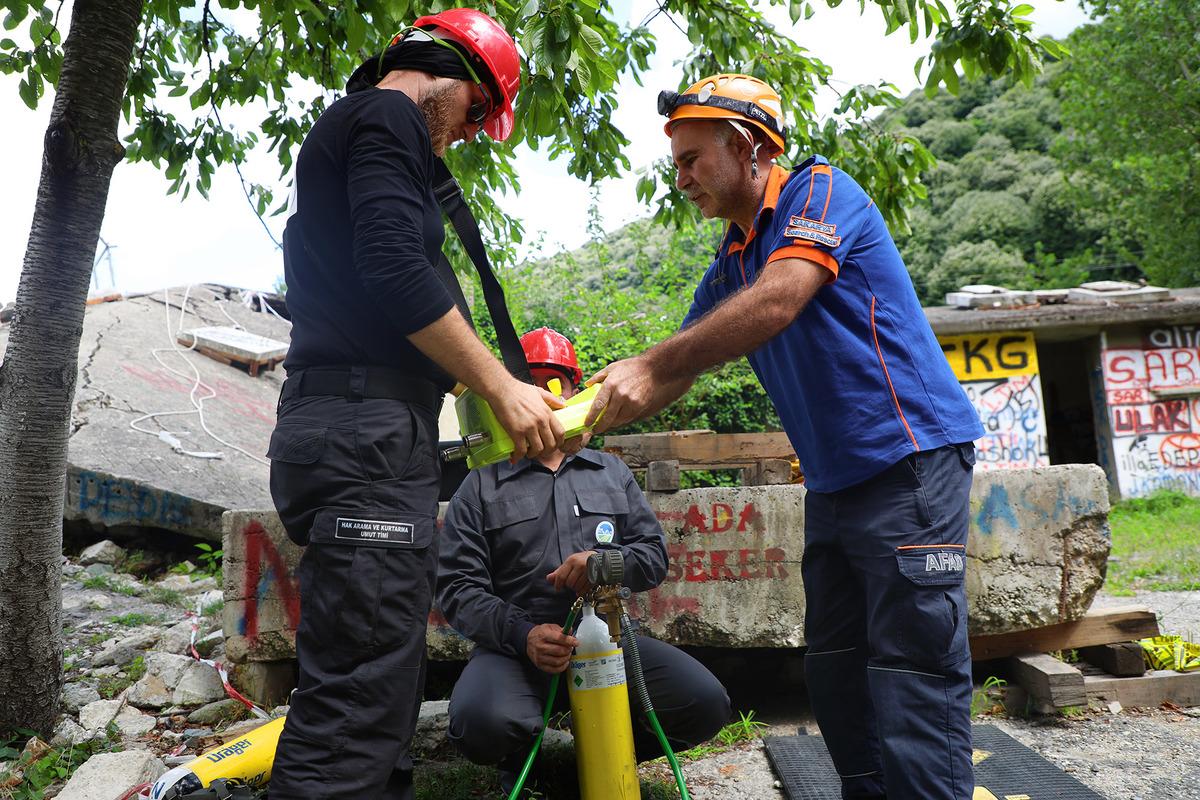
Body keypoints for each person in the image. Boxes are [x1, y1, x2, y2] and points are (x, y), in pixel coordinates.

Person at [584, 74, 986, 800]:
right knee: (834, 665)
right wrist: (569, 419)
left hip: (912, 461)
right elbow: (676, 368)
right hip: (834, 485)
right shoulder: (735, 259)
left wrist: (651, 365)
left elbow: (779, 301)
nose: (680, 181)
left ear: (745, 148)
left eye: (690, 160)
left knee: (910, 668)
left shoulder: (820, 194)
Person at [266, 11, 566, 799]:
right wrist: (501, 386)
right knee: (358, 699)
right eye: (476, 113)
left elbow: (398, 280)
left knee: (374, 686)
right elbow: (398, 271)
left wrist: (494, 385)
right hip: (362, 434)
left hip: (358, 431)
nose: (467, 134)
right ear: (449, 73)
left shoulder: (370, 130)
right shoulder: (387, 115)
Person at [437, 327, 731, 795]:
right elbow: (457, 588)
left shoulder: (610, 471)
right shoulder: (481, 483)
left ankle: (603, 753)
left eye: (557, 385)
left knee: (704, 703)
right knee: (481, 722)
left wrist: (603, 562)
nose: (548, 399)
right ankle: (522, 759)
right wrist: (524, 634)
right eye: (532, 385)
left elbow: (653, 556)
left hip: (608, 639)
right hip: (517, 646)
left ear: (578, 390)